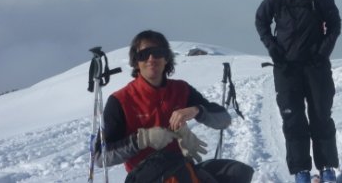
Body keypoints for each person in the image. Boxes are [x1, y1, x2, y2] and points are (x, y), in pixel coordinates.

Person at [95, 29, 254, 183]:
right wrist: (142, 139)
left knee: (238, 172)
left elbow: (224, 120)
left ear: (166, 58)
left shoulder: (181, 89)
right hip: (145, 175)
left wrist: (197, 111)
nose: (151, 58)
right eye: (143, 54)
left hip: (181, 167)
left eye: (157, 52)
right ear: (136, 62)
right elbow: (100, 157)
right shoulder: (120, 100)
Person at [255, 0, 342, 183]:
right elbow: (260, 21)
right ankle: (301, 170)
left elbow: (335, 24)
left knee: (321, 116)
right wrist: (273, 49)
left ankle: (326, 168)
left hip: (316, 67)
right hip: (287, 69)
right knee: (293, 120)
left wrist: (322, 52)